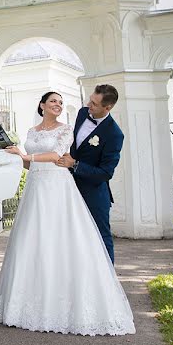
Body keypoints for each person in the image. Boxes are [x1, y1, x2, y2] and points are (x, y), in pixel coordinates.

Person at [0, 91, 134, 335]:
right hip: (37, 190)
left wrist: (29, 156)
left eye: (60, 101)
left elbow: (57, 155)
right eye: (53, 101)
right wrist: (17, 157)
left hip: (62, 187)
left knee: (81, 239)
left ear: (107, 106)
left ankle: (102, 286)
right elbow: (30, 164)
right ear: (42, 104)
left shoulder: (70, 130)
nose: (58, 104)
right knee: (33, 241)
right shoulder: (33, 131)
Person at [56, 85, 124, 264]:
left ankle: (108, 281)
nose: (89, 105)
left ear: (107, 108)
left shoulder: (114, 134)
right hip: (68, 186)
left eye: (94, 103)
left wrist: (75, 165)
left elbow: (105, 173)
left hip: (93, 193)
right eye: (90, 100)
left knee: (101, 236)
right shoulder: (82, 113)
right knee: (69, 234)